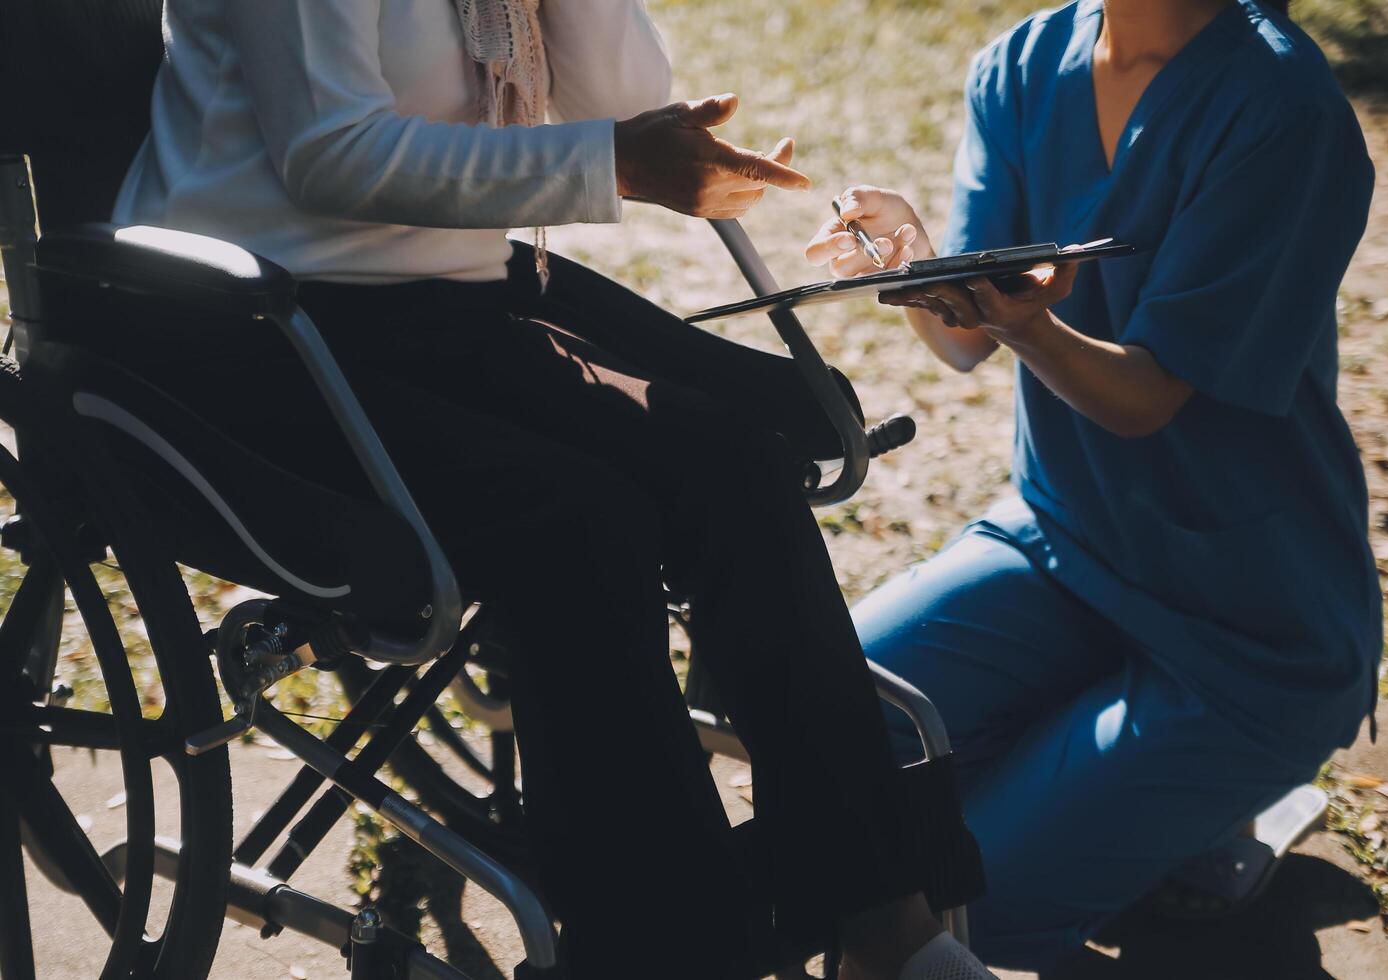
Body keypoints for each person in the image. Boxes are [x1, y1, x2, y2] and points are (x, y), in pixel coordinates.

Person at [111, 0, 992, 977]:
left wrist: (612, 126)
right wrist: (609, 162)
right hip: (247, 322)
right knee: (574, 520)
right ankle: (667, 950)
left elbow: (625, 99)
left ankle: (881, 918)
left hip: (441, 299)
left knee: (733, 454)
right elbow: (331, 155)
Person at [805, 0, 1378, 970]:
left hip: (1248, 623)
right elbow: (964, 337)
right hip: (1062, 543)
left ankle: (1220, 793)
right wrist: (914, 262)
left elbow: (1143, 397)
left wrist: (1027, 323)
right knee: (825, 724)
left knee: (968, 899)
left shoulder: (1284, 106)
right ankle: (1145, 801)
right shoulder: (1022, 65)